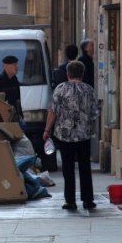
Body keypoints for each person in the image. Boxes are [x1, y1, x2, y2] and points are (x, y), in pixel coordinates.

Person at [43, 61, 99, 211]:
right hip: (84, 135)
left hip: (65, 135)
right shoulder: (89, 90)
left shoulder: (60, 89)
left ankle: (70, 201)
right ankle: (88, 200)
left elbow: (53, 111)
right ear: (82, 74)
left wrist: (47, 129)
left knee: (68, 169)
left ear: (68, 74)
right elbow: (94, 113)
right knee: (85, 167)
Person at [0, 55, 23, 120]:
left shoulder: (15, 81)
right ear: (6, 66)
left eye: (17, 65)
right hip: (2, 117)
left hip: (13, 115)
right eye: (14, 65)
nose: (17, 67)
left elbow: (18, 99)